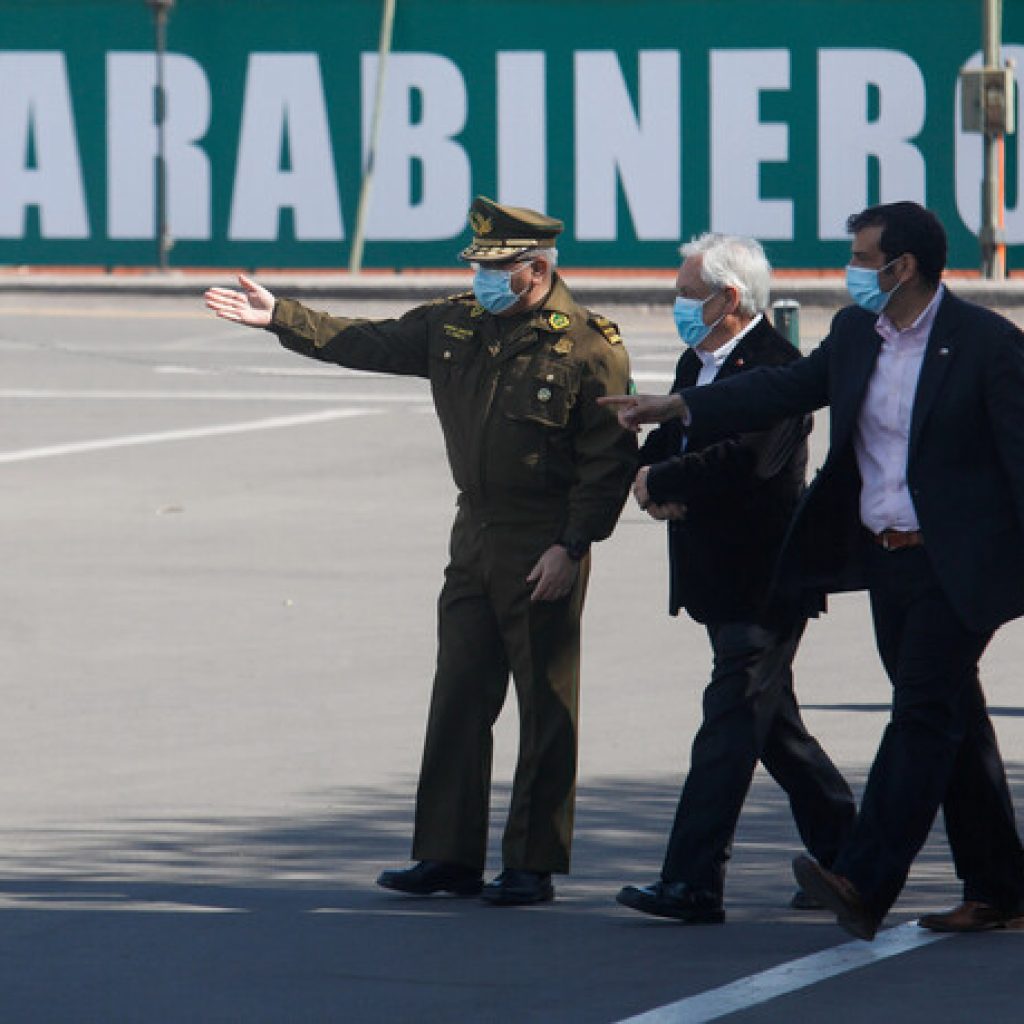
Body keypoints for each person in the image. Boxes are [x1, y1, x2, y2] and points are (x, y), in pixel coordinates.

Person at [601, 201, 1024, 940]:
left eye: (862, 258)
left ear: (903, 267)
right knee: (954, 717)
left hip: (959, 567)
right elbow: (783, 388)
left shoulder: (986, 344)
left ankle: (862, 878)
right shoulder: (857, 333)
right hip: (888, 560)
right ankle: (1001, 888)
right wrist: (680, 405)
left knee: (921, 716)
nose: (850, 270)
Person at [205, 196, 636, 906]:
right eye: (478, 267)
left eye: (497, 269)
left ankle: (531, 864)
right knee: (459, 693)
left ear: (536, 269)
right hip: (475, 533)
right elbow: (365, 341)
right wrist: (281, 315)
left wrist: (572, 545)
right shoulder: (455, 323)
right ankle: (448, 854)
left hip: (543, 537)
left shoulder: (589, 347)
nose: (482, 280)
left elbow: (608, 460)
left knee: (545, 704)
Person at [614, 233, 855, 925]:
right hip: (716, 578)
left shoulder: (779, 367)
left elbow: (746, 460)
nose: (678, 305)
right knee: (774, 728)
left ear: (729, 298)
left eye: (688, 294)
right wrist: (644, 472)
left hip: (766, 581)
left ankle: (691, 881)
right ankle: (851, 858)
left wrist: (661, 481)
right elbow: (674, 440)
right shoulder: (698, 359)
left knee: (727, 726)